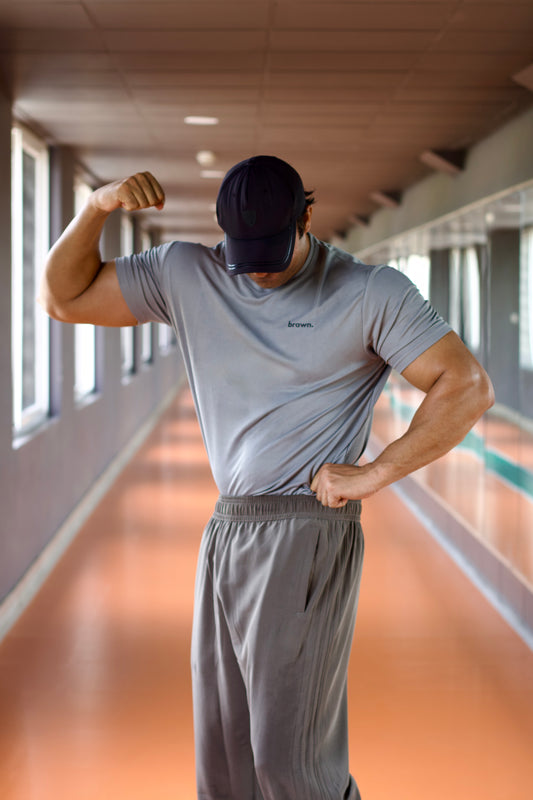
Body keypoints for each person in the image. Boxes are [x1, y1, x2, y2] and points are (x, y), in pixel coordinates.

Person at [39, 155, 494, 800]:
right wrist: (96, 210)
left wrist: (376, 473)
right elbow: (62, 296)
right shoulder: (185, 272)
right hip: (228, 526)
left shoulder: (370, 292)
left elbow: (466, 385)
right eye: (241, 253)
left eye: (271, 253)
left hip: (307, 528)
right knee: (225, 760)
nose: (256, 269)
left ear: (307, 218)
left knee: (290, 761)